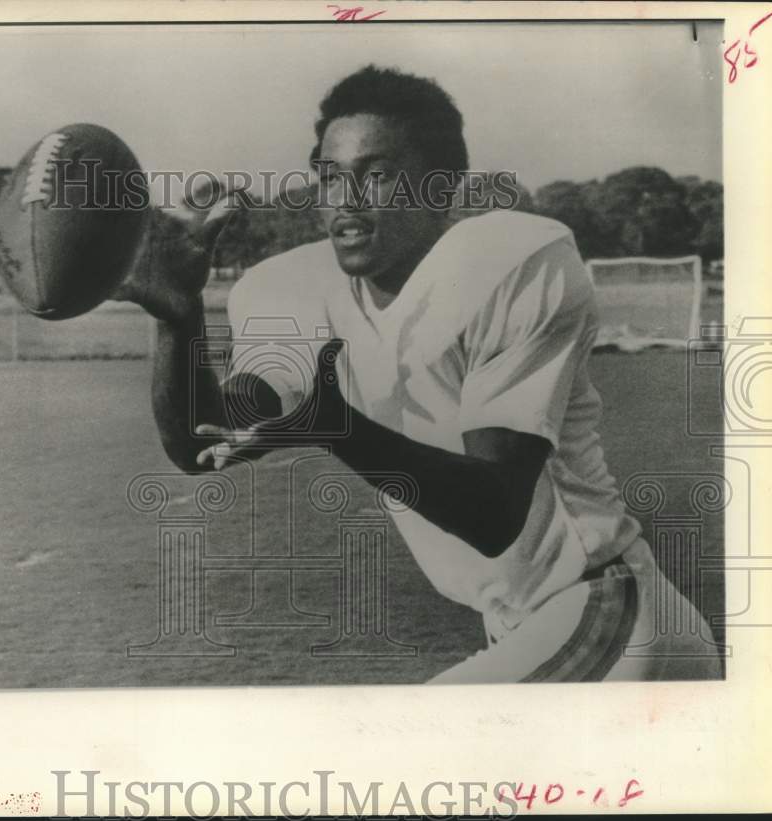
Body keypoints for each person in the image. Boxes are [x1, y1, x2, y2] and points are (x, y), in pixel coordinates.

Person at [122, 65, 722, 683]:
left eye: (376, 176)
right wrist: (178, 319)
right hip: (530, 627)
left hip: (605, 611)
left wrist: (342, 431)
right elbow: (205, 440)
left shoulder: (511, 261)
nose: (345, 202)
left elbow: (495, 512)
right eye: (329, 178)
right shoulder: (298, 288)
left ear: (442, 189)